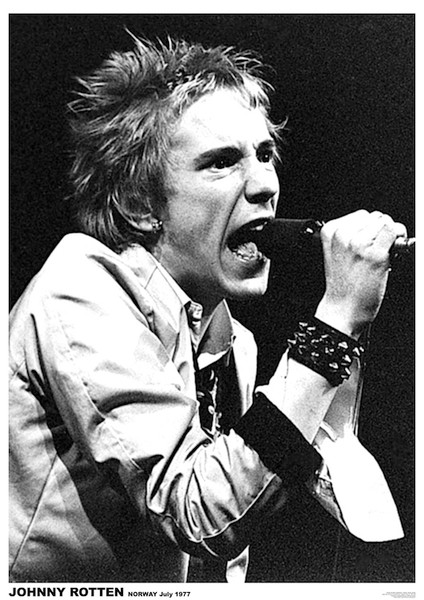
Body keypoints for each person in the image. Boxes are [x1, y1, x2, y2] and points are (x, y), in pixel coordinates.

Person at [9, 35, 407, 584]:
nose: (265, 185)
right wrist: (335, 322)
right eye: (222, 163)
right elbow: (197, 514)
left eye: (265, 155)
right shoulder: (79, 288)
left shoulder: (232, 343)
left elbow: (219, 563)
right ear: (141, 204)